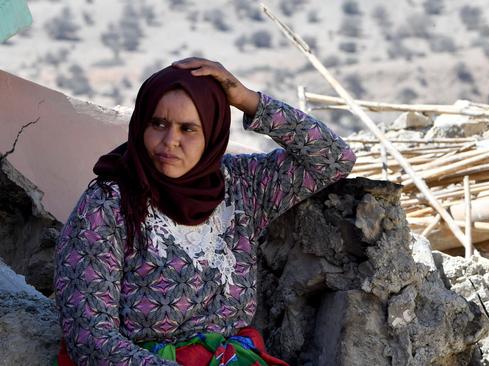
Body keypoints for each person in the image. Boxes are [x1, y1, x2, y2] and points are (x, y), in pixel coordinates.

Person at [53, 57, 356, 365]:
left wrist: (246, 99)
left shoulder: (242, 187)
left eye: (188, 129)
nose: (170, 141)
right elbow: (90, 338)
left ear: (212, 133)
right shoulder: (107, 205)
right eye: (158, 123)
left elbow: (333, 158)